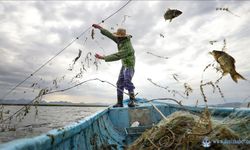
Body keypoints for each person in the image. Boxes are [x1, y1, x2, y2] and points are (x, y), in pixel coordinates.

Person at [92, 24, 136, 107]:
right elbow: (110, 34)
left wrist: (102, 57)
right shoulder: (119, 39)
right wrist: (100, 28)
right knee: (119, 83)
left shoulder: (127, 46)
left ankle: (132, 100)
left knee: (127, 81)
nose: (117, 38)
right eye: (117, 37)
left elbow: (117, 56)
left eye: (118, 37)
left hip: (129, 65)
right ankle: (120, 103)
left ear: (123, 37)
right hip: (124, 65)